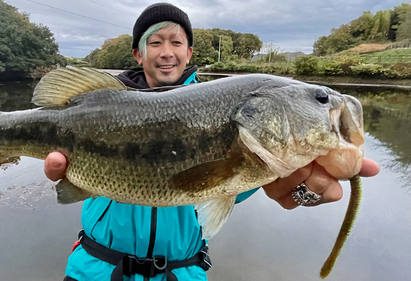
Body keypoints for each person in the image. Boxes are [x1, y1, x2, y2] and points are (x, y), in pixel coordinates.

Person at [46, 3, 381, 281]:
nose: (167, 52)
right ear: (137, 53)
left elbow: (223, 189)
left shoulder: (241, 131)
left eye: (176, 43)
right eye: (155, 42)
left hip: (183, 273)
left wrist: (293, 185)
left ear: (189, 53)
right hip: (95, 270)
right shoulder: (99, 102)